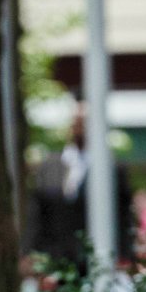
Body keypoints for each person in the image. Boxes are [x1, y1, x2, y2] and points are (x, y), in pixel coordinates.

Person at [25, 108, 135, 270]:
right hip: (55, 259)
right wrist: (29, 253)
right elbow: (37, 215)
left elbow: (123, 216)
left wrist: (125, 255)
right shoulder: (49, 166)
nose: (80, 127)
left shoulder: (111, 170)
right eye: (76, 123)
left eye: (85, 123)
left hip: (97, 258)